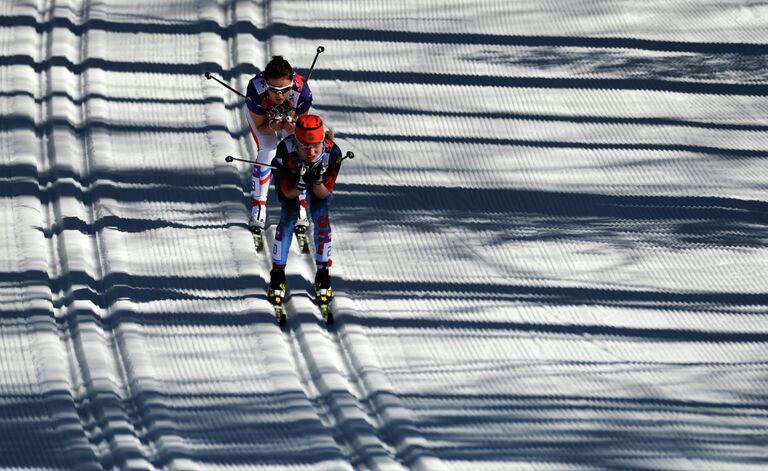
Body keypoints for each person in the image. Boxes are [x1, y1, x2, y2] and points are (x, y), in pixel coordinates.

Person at [267, 114, 343, 308]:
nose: (311, 152)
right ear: (296, 141)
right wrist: (300, 185)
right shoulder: (286, 150)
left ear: (323, 141)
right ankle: (277, 275)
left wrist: (317, 181)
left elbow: (324, 195)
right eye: (305, 147)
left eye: (316, 146)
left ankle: (323, 274)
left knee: (322, 218)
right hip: (292, 183)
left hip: (319, 187)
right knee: (288, 218)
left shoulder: (332, 153)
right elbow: (288, 194)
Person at [244, 55, 313, 234]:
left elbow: (301, 129)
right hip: (264, 119)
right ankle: (258, 208)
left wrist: (289, 126)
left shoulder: (302, 92)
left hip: (290, 118)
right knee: (268, 148)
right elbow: (261, 127)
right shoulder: (255, 89)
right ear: (265, 84)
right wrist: (273, 125)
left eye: (284, 89)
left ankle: (300, 206)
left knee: (299, 149)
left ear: (292, 83)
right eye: (273, 89)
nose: (279, 95)